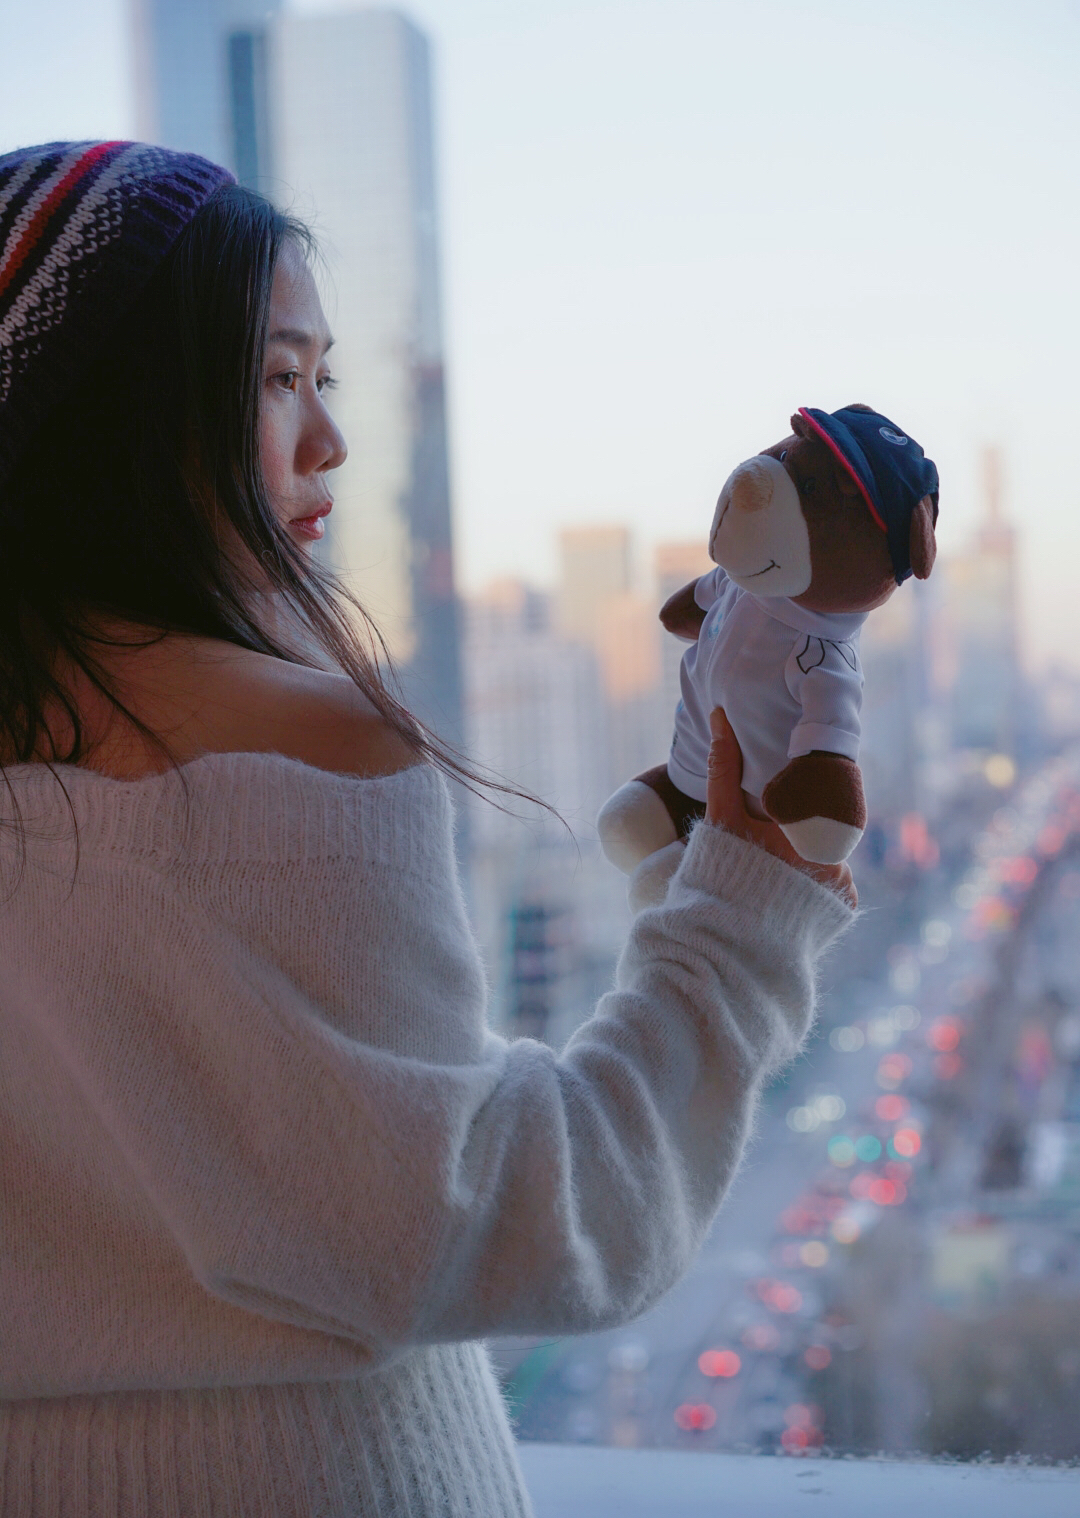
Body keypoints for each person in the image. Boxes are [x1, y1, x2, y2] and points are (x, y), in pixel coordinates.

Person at [0, 142, 856, 1517]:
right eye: (279, 379)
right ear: (114, 414)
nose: (327, 442)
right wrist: (742, 918)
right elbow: (521, 1223)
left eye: (323, 379)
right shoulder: (306, 741)